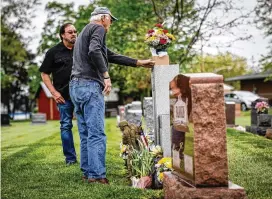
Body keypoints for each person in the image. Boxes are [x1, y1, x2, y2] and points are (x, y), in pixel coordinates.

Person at [69, 7, 155, 184]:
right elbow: (94, 51)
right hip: (89, 85)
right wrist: (106, 76)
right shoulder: (98, 28)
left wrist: (138, 63)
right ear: (103, 18)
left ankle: (87, 173)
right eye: (110, 20)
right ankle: (97, 175)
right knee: (97, 133)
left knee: (86, 133)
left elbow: (109, 55)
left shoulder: (84, 32)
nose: (111, 24)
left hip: (75, 86)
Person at [39, 23, 77, 165]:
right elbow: (44, 74)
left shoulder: (80, 49)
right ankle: (71, 159)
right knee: (66, 125)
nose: (73, 34)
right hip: (63, 97)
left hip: (80, 95)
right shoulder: (53, 52)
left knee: (85, 125)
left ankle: (87, 158)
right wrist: (54, 93)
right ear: (62, 35)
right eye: (70, 32)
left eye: (75, 31)